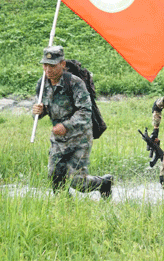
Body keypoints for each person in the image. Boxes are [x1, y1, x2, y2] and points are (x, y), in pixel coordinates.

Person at [32, 46, 112, 197]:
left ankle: (104, 182)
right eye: (45, 65)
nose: (48, 70)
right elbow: (41, 108)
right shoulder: (42, 84)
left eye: (52, 65)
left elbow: (85, 111)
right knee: (55, 177)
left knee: (78, 182)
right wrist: (38, 111)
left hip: (80, 136)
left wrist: (66, 125)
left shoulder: (75, 83)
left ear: (62, 64)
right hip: (59, 138)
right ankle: (64, 208)